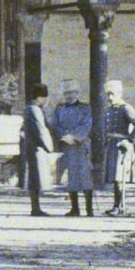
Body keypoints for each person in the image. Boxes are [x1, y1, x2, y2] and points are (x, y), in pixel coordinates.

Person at [52, 86, 94, 216]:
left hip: (81, 145)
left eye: (71, 92)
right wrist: (64, 136)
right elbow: (54, 124)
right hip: (67, 146)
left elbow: (87, 124)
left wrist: (75, 136)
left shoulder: (85, 108)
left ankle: (89, 209)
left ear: (77, 93)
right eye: (66, 93)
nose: (69, 95)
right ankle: (74, 208)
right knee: (71, 177)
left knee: (85, 176)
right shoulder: (59, 108)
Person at [20, 82, 57, 217]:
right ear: (41, 97)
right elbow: (41, 130)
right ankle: (35, 208)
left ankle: (36, 207)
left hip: (31, 147)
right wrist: (50, 148)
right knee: (35, 178)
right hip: (36, 148)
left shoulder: (28, 108)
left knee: (34, 178)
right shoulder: (35, 110)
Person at [104, 80, 135, 215]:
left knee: (119, 177)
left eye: (112, 94)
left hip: (121, 146)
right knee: (114, 177)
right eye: (108, 94)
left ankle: (119, 207)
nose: (110, 98)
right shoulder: (109, 110)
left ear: (119, 94)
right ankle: (116, 205)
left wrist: (130, 140)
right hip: (111, 145)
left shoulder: (125, 108)